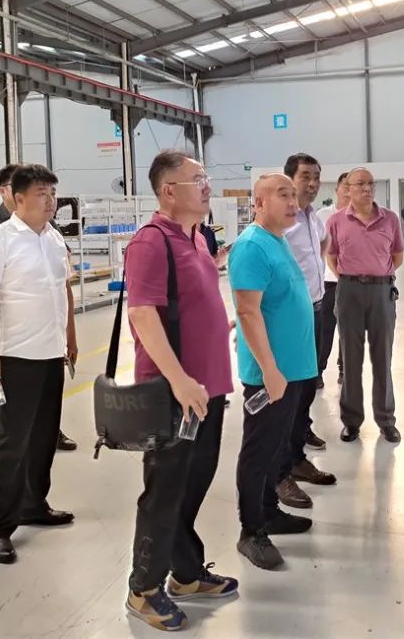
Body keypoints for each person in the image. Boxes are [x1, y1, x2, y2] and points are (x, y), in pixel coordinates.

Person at [124, 150, 237, 632]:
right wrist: (179, 378)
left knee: (192, 486)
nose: (207, 186)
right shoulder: (152, 241)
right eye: (198, 179)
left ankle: (186, 575)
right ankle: (143, 589)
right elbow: (142, 314)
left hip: (206, 390)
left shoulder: (195, 237)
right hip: (175, 394)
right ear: (169, 190)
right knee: (165, 492)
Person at [0, 164, 77, 565]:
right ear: (17, 199)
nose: (50, 201)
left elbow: (64, 289)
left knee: (43, 437)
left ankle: (34, 504)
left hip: (52, 354)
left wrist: (70, 336)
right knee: (11, 443)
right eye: (41, 194)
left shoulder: (54, 238)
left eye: (52, 193)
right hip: (16, 356)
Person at [230, 173, 317, 570]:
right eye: (283, 195)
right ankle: (251, 530)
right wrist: (269, 369)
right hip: (271, 375)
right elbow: (248, 311)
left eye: (293, 196)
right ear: (259, 202)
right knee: (259, 450)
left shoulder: (277, 240)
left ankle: (269, 512)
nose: (292, 202)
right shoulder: (252, 245)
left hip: (291, 371)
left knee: (277, 447)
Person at [325, 167, 404, 444]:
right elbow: (332, 256)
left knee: (383, 358)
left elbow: (398, 255)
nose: (367, 188)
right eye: (360, 184)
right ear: (347, 188)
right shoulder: (336, 221)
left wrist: (377, 274)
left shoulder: (390, 219)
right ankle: (351, 421)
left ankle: (386, 420)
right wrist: (351, 279)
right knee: (351, 359)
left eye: (370, 183)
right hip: (349, 291)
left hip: (382, 291)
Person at [280, 154, 337, 507]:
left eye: (316, 176)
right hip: (289, 317)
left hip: (315, 309)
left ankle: (296, 457)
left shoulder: (313, 218)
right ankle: (280, 473)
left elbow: (322, 247)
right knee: (287, 397)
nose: (313, 183)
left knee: (305, 391)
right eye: (305, 176)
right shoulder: (282, 220)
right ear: (290, 179)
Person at [316, 172, 350, 387]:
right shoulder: (322, 215)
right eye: (345, 185)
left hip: (353, 282)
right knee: (324, 329)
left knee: (349, 330)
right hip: (328, 282)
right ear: (336, 189)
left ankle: (345, 370)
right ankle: (317, 371)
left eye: (352, 186)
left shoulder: (361, 216)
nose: (348, 190)